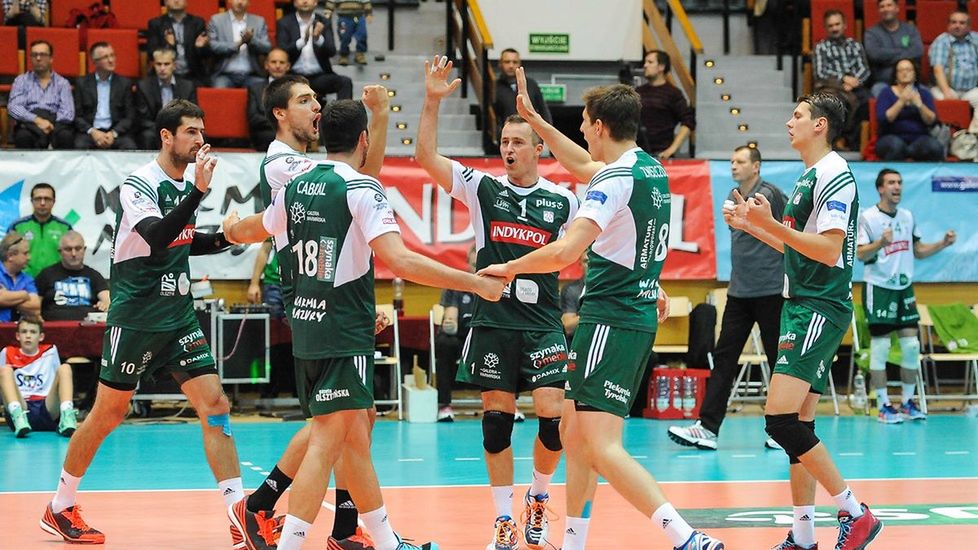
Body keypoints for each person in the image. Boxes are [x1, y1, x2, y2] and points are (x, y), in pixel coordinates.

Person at [224, 98, 505, 550]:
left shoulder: (296, 187)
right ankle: (291, 541)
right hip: (343, 332)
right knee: (325, 444)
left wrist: (230, 230)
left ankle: (382, 541)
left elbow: (259, 228)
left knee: (355, 437)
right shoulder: (361, 188)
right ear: (364, 140)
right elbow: (401, 260)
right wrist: (474, 282)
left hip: (307, 327)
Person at [478, 68, 723, 550]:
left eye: (585, 123)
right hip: (630, 315)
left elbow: (564, 252)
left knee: (600, 445)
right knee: (572, 433)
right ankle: (574, 541)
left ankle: (685, 538)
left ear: (600, 126)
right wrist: (537, 122)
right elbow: (585, 167)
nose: (582, 132)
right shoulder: (648, 168)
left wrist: (509, 268)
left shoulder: (614, 179)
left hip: (610, 319)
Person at [38, 100, 244, 546]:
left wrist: (225, 238)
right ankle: (59, 505)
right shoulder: (140, 183)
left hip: (178, 316)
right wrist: (199, 193)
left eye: (202, 131)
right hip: (136, 318)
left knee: (216, 405)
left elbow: (184, 239)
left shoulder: (183, 184)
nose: (200, 140)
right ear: (167, 136)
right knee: (108, 414)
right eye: (191, 132)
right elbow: (157, 235)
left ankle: (239, 513)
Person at [417, 55, 580, 550]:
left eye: (517, 142)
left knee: (553, 420)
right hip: (494, 321)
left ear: (538, 148)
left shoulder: (565, 201)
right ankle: (504, 520)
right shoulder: (482, 187)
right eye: (504, 142)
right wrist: (431, 101)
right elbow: (426, 157)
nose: (508, 149)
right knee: (495, 424)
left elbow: (598, 249)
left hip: (543, 321)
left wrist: (651, 285)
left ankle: (538, 497)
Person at [228, 75, 393, 550]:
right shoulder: (284, 164)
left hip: (334, 293)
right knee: (334, 423)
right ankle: (260, 505)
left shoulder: (317, 168)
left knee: (357, 418)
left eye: (317, 99)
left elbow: (361, 175)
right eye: (305, 101)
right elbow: (360, 173)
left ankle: (343, 528)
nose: (316, 106)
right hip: (314, 298)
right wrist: (378, 119)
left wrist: (379, 118)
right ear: (280, 114)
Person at [722, 91, 882, 550]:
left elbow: (830, 251)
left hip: (817, 307)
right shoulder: (810, 175)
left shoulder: (835, 174)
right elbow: (798, 250)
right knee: (800, 424)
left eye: (797, 115)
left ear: (820, 125)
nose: (789, 122)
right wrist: (751, 226)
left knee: (779, 421)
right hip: (803, 302)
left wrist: (770, 223)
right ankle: (804, 535)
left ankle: (855, 512)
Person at [667, 146, 787, 452]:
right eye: (732, 161)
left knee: (778, 362)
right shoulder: (733, 197)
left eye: (740, 161)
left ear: (756, 166)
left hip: (771, 292)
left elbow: (789, 231)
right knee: (724, 360)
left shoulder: (770, 195)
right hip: (739, 293)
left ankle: (784, 431)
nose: (734, 165)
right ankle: (707, 428)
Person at [856, 168, 956, 424]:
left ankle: (908, 402)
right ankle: (883, 405)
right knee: (881, 348)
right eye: (891, 182)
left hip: (904, 288)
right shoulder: (868, 217)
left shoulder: (907, 217)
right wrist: (880, 243)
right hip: (879, 288)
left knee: (911, 346)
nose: (897, 186)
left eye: (899, 182)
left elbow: (918, 251)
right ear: (880, 188)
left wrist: (942, 244)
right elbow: (860, 254)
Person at [1, 317, 76, 438]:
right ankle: (18, 417)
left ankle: (67, 416)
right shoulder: (7, 352)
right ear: (18, 336)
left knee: (65, 368)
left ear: (41, 336)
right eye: (24, 332)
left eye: (33, 332)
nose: (28, 336)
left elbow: (58, 381)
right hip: (21, 405)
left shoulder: (50, 351)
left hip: (47, 406)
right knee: (4, 370)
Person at [813, 10, 871, 149]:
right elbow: (821, 73)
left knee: (868, 101)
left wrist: (855, 81)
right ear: (826, 28)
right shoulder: (821, 47)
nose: (834, 28)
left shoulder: (855, 45)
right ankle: (837, 140)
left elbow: (864, 69)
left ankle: (855, 142)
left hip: (855, 86)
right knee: (836, 103)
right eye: (830, 26)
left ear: (844, 25)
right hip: (833, 86)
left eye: (837, 24)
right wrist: (843, 79)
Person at [277, 0, 354, 102]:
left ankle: (344, 112)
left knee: (345, 82)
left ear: (315, 2)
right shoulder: (284, 22)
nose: (305, 1)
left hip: (319, 76)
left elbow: (332, 51)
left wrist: (318, 39)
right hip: (293, 76)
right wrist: (302, 41)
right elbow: (282, 51)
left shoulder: (323, 22)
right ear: (294, 3)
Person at [434, 245, 477, 422]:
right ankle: (445, 405)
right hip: (461, 338)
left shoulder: (498, 285)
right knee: (445, 342)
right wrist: (450, 322)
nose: (477, 269)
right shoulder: (456, 284)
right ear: (467, 264)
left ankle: (509, 404)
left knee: (510, 340)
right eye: (474, 265)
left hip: (485, 338)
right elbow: (450, 321)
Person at [7, 40, 75, 150]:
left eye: (42, 55)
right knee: (23, 136)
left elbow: (68, 113)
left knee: (66, 136)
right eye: (34, 55)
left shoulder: (62, 83)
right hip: (30, 124)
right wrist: (37, 120)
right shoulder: (21, 80)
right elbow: (13, 108)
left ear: (51, 58)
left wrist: (49, 124)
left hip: (55, 125)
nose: (38, 58)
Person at [875, 58, 944, 161]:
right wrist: (901, 101)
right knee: (896, 146)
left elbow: (931, 121)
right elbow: (884, 119)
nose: (905, 73)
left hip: (919, 139)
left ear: (915, 74)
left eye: (908, 70)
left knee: (934, 147)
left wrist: (920, 105)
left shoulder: (924, 93)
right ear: (895, 75)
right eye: (901, 70)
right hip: (891, 137)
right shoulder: (886, 93)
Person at [72, 42, 137, 150]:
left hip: (116, 132)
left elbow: (130, 117)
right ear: (94, 61)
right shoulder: (82, 83)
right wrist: (92, 131)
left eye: (112, 55)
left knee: (129, 146)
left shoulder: (124, 83)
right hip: (90, 132)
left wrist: (113, 133)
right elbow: (77, 116)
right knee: (79, 146)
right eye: (105, 57)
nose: (111, 60)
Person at [34, 231, 110, 322]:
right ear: (60, 252)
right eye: (68, 249)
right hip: (52, 327)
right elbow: (33, 306)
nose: (73, 254)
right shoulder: (46, 275)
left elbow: (107, 299)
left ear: (84, 250)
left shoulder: (94, 275)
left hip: (87, 328)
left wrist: (104, 304)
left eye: (78, 249)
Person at [635, 50, 695, 160]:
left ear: (661, 67)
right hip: (638, 153)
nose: (645, 65)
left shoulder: (673, 93)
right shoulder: (638, 92)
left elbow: (688, 121)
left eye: (650, 62)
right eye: (645, 62)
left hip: (662, 155)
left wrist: (672, 149)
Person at [135, 47, 199, 150]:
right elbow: (142, 119)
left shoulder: (187, 86)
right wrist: (163, 129)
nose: (162, 68)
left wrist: (177, 129)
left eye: (166, 64)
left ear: (174, 65)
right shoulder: (144, 86)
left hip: (180, 128)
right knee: (147, 136)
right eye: (158, 64)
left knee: (197, 135)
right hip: (154, 129)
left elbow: (192, 115)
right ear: (153, 65)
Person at [928, 9, 978, 133]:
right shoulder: (942, 41)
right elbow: (938, 69)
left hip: (971, 89)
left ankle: (972, 136)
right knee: (942, 99)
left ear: (969, 26)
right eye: (954, 22)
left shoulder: (976, 39)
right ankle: (947, 136)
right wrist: (946, 92)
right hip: (948, 88)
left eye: (962, 23)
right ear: (948, 25)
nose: (957, 26)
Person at [8, 182, 73, 277]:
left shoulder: (65, 227)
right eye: (38, 199)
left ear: (53, 201)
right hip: (24, 280)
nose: (42, 203)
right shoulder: (17, 226)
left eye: (47, 199)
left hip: (55, 281)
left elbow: (72, 257)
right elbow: (6, 256)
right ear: (32, 201)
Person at [863, 0, 923, 96]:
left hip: (911, 83)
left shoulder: (910, 30)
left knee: (927, 96)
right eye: (882, 6)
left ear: (897, 8)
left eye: (889, 5)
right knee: (878, 93)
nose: (886, 9)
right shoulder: (871, 33)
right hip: (883, 83)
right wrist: (904, 53)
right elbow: (874, 54)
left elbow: (917, 50)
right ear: (879, 10)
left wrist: (887, 57)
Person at [207, 0, 272, 89]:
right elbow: (212, 46)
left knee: (263, 91)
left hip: (252, 74)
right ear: (229, 1)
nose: (240, 2)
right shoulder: (217, 20)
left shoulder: (258, 21)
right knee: (219, 91)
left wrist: (251, 40)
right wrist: (238, 44)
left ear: (249, 2)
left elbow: (266, 47)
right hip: (224, 74)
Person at [147, 0, 212, 87]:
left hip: (192, 75)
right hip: (165, 75)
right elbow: (151, 53)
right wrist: (169, 46)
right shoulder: (156, 24)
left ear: (186, 2)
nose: (176, 1)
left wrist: (200, 47)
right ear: (165, 2)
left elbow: (207, 55)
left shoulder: (197, 22)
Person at [493, 48, 552, 137]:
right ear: (500, 64)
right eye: (507, 62)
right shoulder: (494, 87)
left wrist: (547, 135)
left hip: (530, 136)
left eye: (515, 62)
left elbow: (543, 110)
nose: (511, 65)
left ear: (520, 64)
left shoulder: (531, 85)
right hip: (506, 136)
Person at [247, 48, 292, 151]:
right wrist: (281, 121)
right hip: (264, 136)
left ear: (288, 66)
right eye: (273, 62)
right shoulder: (255, 88)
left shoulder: (296, 89)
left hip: (291, 135)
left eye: (281, 62)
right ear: (266, 65)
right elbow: (253, 118)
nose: (277, 66)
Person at [0, 232, 42, 323]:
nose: (29, 258)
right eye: (25, 253)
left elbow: (35, 307)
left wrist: (7, 298)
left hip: (17, 330)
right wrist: (24, 295)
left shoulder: (27, 279)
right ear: (10, 256)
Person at [325, 0, 372, 65]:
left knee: (362, 34)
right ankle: (344, 54)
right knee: (344, 36)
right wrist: (328, 11)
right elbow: (331, 2)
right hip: (344, 17)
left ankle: (360, 54)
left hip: (358, 17)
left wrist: (368, 13)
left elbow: (366, 2)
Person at [558, 253, 587, 342]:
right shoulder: (571, 290)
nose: (590, 265)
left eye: (593, 262)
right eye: (586, 261)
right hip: (578, 341)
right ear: (580, 265)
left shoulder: (610, 288)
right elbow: (568, 327)